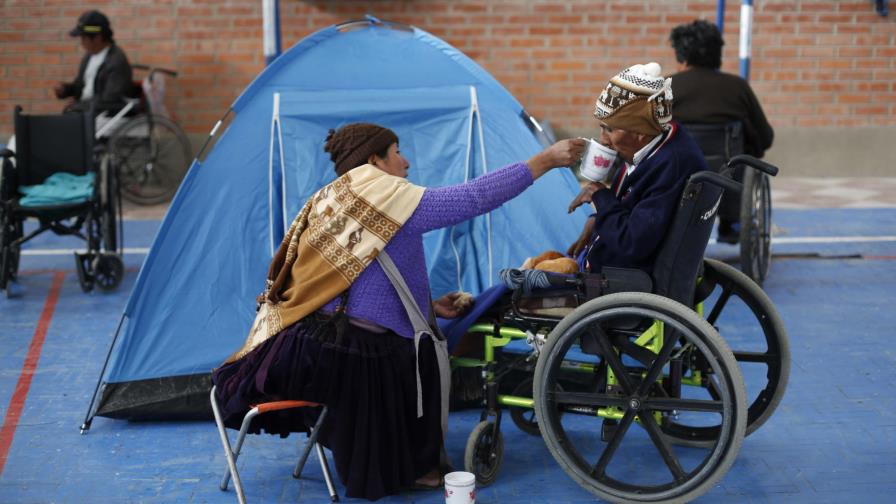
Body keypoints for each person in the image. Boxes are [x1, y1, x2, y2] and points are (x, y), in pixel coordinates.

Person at [212, 123, 584, 501]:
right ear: (375, 160)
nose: (405, 162)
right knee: (419, 360)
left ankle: (411, 465)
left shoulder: (333, 197)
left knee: (409, 349)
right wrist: (544, 161)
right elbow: (474, 197)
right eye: (397, 151)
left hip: (302, 346)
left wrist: (431, 305)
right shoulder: (388, 198)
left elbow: (361, 278)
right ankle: (417, 470)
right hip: (351, 356)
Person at [567, 62, 709, 274]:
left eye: (609, 130)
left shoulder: (671, 165)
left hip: (620, 277)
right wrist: (598, 220)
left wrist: (601, 197)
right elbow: (636, 211)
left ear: (640, 131)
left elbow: (632, 243)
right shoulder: (658, 143)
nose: (603, 140)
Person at [669, 19, 774, 242]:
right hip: (728, 178)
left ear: (682, 57)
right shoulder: (737, 87)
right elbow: (765, 137)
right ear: (717, 55)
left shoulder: (667, 87)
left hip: (674, 178)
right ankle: (732, 223)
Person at [54, 10, 133, 116]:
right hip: (87, 111)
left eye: (83, 38)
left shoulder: (116, 61)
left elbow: (109, 99)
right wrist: (65, 90)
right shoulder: (89, 56)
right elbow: (80, 86)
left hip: (105, 115)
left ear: (97, 38)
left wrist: (80, 105)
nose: (81, 42)